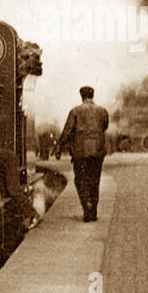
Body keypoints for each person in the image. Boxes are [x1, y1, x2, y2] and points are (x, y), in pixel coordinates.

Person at [55, 85, 110, 222]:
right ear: (92, 96)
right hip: (97, 150)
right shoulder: (102, 111)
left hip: (80, 152)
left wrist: (59, 147)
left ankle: (86, 207)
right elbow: (104, 126)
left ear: (81, 96)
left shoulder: (75, 111)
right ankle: (94, 210)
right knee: (94, 180)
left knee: (81, 179)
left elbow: (68, 131)